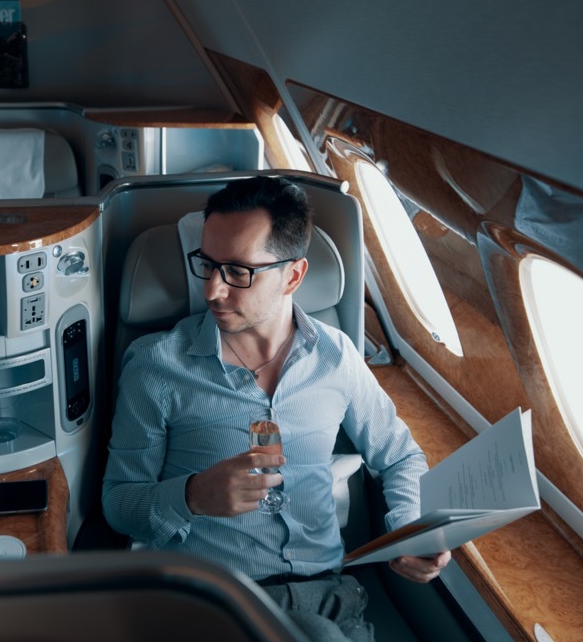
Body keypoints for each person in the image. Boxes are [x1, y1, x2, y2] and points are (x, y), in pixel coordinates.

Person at [103, 175, 451, 642]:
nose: (212, 290)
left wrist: (408, 527)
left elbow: (401, 456)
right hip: (215, 602)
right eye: (206, 264)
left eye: (238, 272)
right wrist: (190, 497)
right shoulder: (156, 367)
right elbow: (118, 502)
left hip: (331, 598)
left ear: (293, 275)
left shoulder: (337, 357)